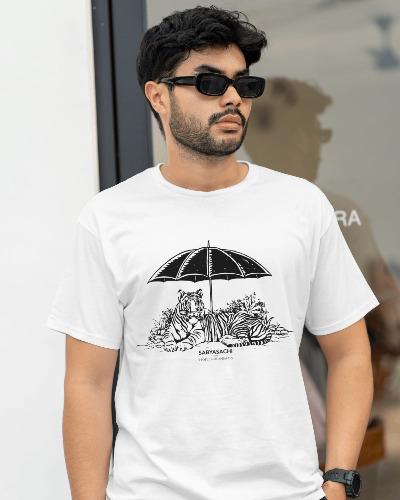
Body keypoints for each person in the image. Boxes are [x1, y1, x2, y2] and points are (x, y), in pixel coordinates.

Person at [45, 6, 379, 500]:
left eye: (243, 84)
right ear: (158, 95)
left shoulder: (301, 206)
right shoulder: (109, 218)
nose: (232, 98)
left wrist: (338, 481)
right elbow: (87, 384)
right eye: (209, 83)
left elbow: (349, 352)